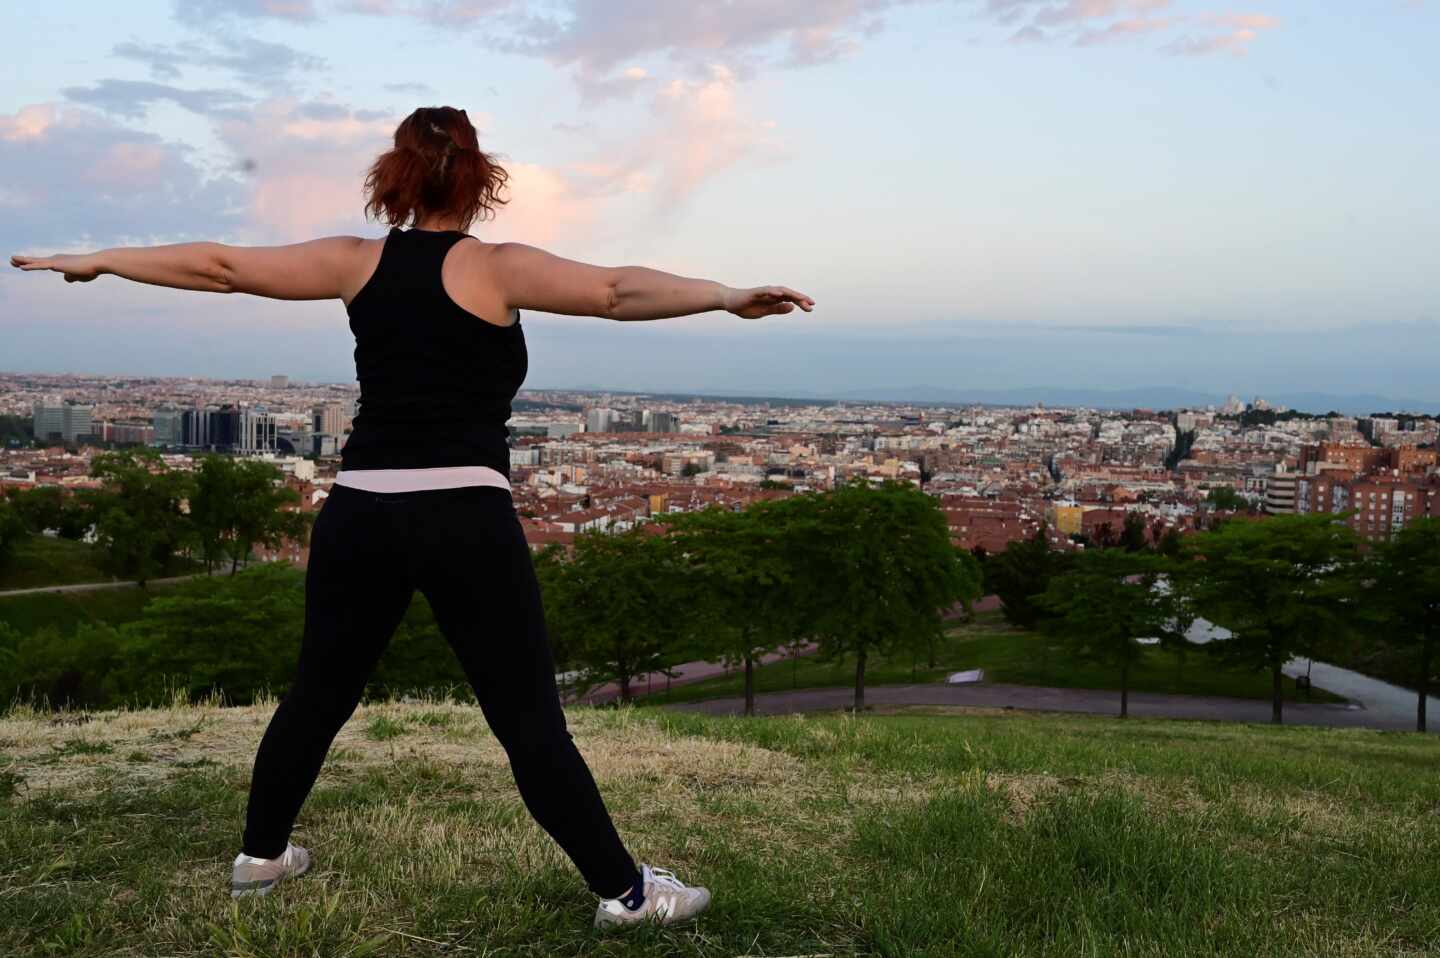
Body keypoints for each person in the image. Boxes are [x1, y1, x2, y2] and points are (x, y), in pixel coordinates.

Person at [10, 105, 814, 928]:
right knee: (526, 719)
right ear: (481, 178)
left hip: (361, 512)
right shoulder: (497, 267)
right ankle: (629, 893)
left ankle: (261, 855)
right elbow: (614, 291)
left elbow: (219, 266)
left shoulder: (356, 262)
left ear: (392, 177)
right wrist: (724, 295)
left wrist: (99, 261)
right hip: (465, 514)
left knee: (317, 695)